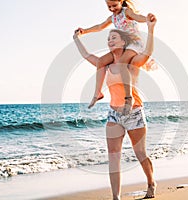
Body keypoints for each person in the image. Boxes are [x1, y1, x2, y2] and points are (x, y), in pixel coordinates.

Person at [74, 13, 157, 200]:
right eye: (108, 39)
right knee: (113, 157)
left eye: (114, 38)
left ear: (123, 41)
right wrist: (76, 39)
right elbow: (87, 55)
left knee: (140, 153)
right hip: (114, 114)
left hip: (134, 112)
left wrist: (151, 29)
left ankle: (151, 182)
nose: (110, 41)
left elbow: (148, 53)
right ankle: (116, 197)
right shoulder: (106, 64)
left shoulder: (132, 62)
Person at [75, 0, 153, 114]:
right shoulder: (112, 18)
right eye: (109, 6)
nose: (112, 8)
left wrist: (147, 19)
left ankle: (128, 98)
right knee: (101, 62)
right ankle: (98, 93)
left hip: (133, 44)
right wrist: (84, 31)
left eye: (114, 5)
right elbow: (99, 27)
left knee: (122, 62)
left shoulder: (127, 12)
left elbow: (137, 17)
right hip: (122, 45)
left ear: (121, 2)